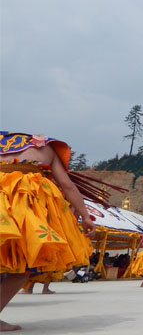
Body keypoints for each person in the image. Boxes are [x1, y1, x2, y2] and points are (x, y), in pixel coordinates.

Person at [0, 132, 95, 331]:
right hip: (26, 212)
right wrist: (85, 216)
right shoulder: (45, 148)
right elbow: (67, 186)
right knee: (26, 265)